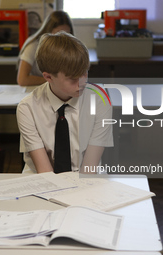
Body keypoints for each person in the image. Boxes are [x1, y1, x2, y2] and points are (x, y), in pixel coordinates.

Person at [16, 31, 113, 174]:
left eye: (85, 72)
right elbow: (45, 172)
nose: (83, 82)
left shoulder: (99, 101)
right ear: (48, 77)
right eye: (73, 79)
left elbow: (89, 168)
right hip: (42, 180)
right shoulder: (28, 108)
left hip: (87, 179)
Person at [17, 11, 74, 86]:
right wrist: (53, 80)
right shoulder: (33, 46)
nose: (63, 39)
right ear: (48, 31)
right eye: (58, 34)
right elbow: (22, 80)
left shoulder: (70, 47)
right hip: (37, 89)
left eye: (67, 34)